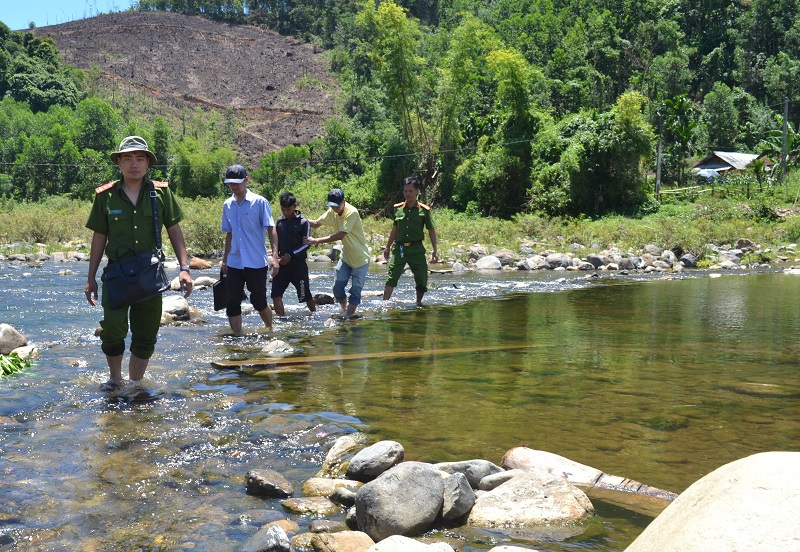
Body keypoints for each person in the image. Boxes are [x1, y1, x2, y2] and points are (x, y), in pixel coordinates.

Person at [85, 136, 193, 391]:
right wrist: (90, 278)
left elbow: (174, 230)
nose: (134, 164)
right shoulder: (105, 196)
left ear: (148, 163)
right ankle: (115, 379)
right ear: (120, 163)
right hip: (116, 274)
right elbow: (99, 237)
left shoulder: (161, 193)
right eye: (128, 159)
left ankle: (134, 384)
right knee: (112, 329)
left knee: (146, 334)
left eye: (140, 158)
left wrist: (185, 268)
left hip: (150, 274)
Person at [220, 164, 280, 334]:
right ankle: (237, 338)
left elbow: (271, 228)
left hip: (255, 261)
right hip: (235, 261)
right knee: (232, 302)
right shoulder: (228, 205)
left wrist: (275, 257)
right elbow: (229, 234)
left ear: (246, 179)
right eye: (231, 183)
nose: (234, 186)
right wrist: (224, 260)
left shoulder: (260, 202)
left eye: (237, 183)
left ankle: (270, 330)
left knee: (259, 300)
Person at [305, 188, 370, 317]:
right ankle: (344, 310)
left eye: (337, 206)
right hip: (346, 257)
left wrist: (316, 240)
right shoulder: (332, 212)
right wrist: (298, 218)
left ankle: (348, 317)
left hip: (360, 259)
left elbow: (341, 235)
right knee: (337, 288)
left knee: (355, 292)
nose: (334, 209)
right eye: (332, 206)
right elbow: (317, 223)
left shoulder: (352, 212)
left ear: (344, 201)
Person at [383, 176, 439, 306]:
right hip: (400, 249)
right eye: (405, 191)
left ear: (417, 191)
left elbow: (431, 229)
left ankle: (418, 303)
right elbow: (395, 228)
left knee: (421, 278)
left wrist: (435, 250)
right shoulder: (398, 208)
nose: (407, 194)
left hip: (416, 249)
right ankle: (384, 305)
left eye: (410, 191)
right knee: (392, 277)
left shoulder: (424, 211)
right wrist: (387, 247)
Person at [272, 191, 317, 316]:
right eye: (283, 209)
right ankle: (282, 320)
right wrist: (275, 256)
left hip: (298, 266)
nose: (286, 212)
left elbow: (306, 244)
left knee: (305, 295)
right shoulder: (280, 222)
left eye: (288, 209)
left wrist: (290, 255)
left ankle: (314, 315)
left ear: (295, 206)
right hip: (283, 266)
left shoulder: (304, 223)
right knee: (275, 294)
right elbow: (276, 241)